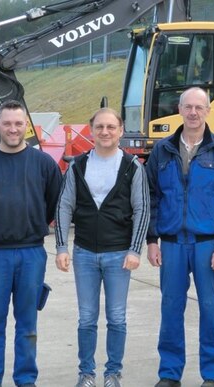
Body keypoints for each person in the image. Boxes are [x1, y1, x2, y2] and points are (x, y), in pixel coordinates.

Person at [145, 87, 214, 387]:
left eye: (199, 107)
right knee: (171, 309)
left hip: (207, 244)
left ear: (208, 111)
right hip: (172, 244)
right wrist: (152, 240)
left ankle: (212, 375)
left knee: (211, 311)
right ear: (179, 109)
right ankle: (169, 373)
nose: (193, 112)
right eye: (188, 107)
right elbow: (150, 196)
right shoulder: (162, 150)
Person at [0, 100, 62, 387]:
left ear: (26, 126)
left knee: (27, 323)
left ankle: (26, 379)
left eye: (19, 123)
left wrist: (33, 225)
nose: (13, 129)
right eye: (7, 123)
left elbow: (54, 201)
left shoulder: (43, 163)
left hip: (32, 253)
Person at [54, 108, 150, 387]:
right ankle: (86, 374)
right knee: (86, 318)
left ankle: (112, 374)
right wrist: (61, 247)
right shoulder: (78, 166)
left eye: (111, 127)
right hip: (84, 253)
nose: (105, 132)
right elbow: (64, 206)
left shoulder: (133, 167)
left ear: (120, 130)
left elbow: (142, 209)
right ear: (92, 130)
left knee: (117, 317)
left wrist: (135, 250)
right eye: (99, 127)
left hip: (119, 254)